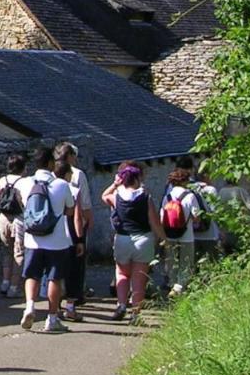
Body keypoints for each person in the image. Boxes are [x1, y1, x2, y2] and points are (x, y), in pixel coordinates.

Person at [14, 146, 79, 333]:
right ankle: (52, 318)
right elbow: (69, 210)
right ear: (51, 163)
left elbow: (22, 205)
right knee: (55, 278)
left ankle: (29, 307)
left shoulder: (25, 183)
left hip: (32, 240)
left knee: (32, 275)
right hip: (57, 240)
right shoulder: (61, 185)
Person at [101, 162, 165, 324]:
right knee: (139, 279)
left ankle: (121, 305)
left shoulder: (117, 197)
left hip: (122, 238)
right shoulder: (145, 197)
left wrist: (114, 184)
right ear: (137, 179)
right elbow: (154, 221)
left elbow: (104, 196)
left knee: (122, 274)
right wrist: (164, 237)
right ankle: (135, 314)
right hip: (143, 238)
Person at [54, 142, 92, 317]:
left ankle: (56, 304)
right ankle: (73, 301)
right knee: (75, 267)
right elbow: (83, 206)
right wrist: (85, 228)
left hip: (53, 230)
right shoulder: (77, 176)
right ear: (69, 156)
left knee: (56, 268)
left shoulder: (50, 176)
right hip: (72, 228)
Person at [0, 154, 27, 298]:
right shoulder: (23, 182)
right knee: (19, 253)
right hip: (18, 219)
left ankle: (5, 282)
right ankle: (14, 287)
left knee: (7, 250)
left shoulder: (2, 180)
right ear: (23, 168)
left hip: (3, 218)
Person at [161, 167, 200, 296]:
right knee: (186, 261)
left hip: (170, 234)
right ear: (185, 181)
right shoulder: (190, 196)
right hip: (187, 235)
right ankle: (180, 287)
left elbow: (162, 216)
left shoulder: (167, 197)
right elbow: (196, 216)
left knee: (171, 260)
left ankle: (171, 284)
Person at [189, 170, 222, 267]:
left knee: (196, 266)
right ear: (206, 176)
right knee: (214, 264)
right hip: (210, 234)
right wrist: (221, 230)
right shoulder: (210, 189)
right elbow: (215, 212)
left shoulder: (191, 189)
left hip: (194, 234)